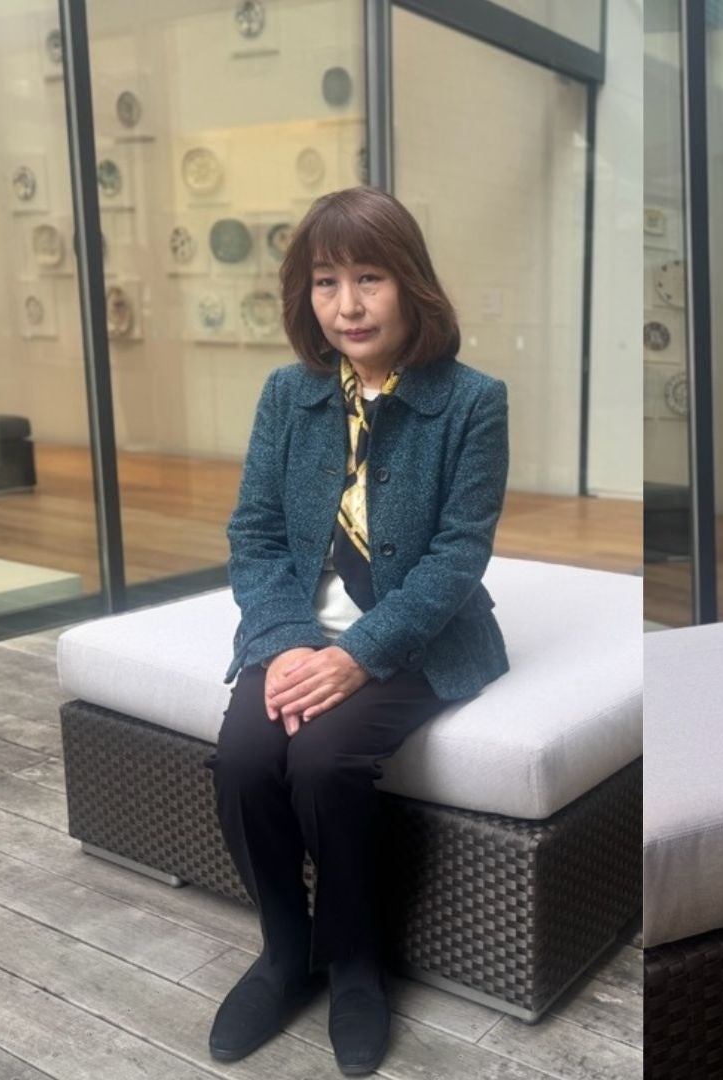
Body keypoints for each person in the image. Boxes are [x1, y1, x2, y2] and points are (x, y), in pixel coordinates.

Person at [205, 186, 509, 1076]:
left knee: (324, 761)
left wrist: (359, 655)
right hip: (297, 633)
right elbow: (255, 534)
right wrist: (287, 641)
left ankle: (354, 965)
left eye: (369, 277)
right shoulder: (287, 394)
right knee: (246, 758)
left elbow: (458, 557)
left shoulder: (472, 401)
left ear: (411, 283)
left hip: (418, 633)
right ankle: (282, 952)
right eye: (326, 282)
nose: (348, 304)